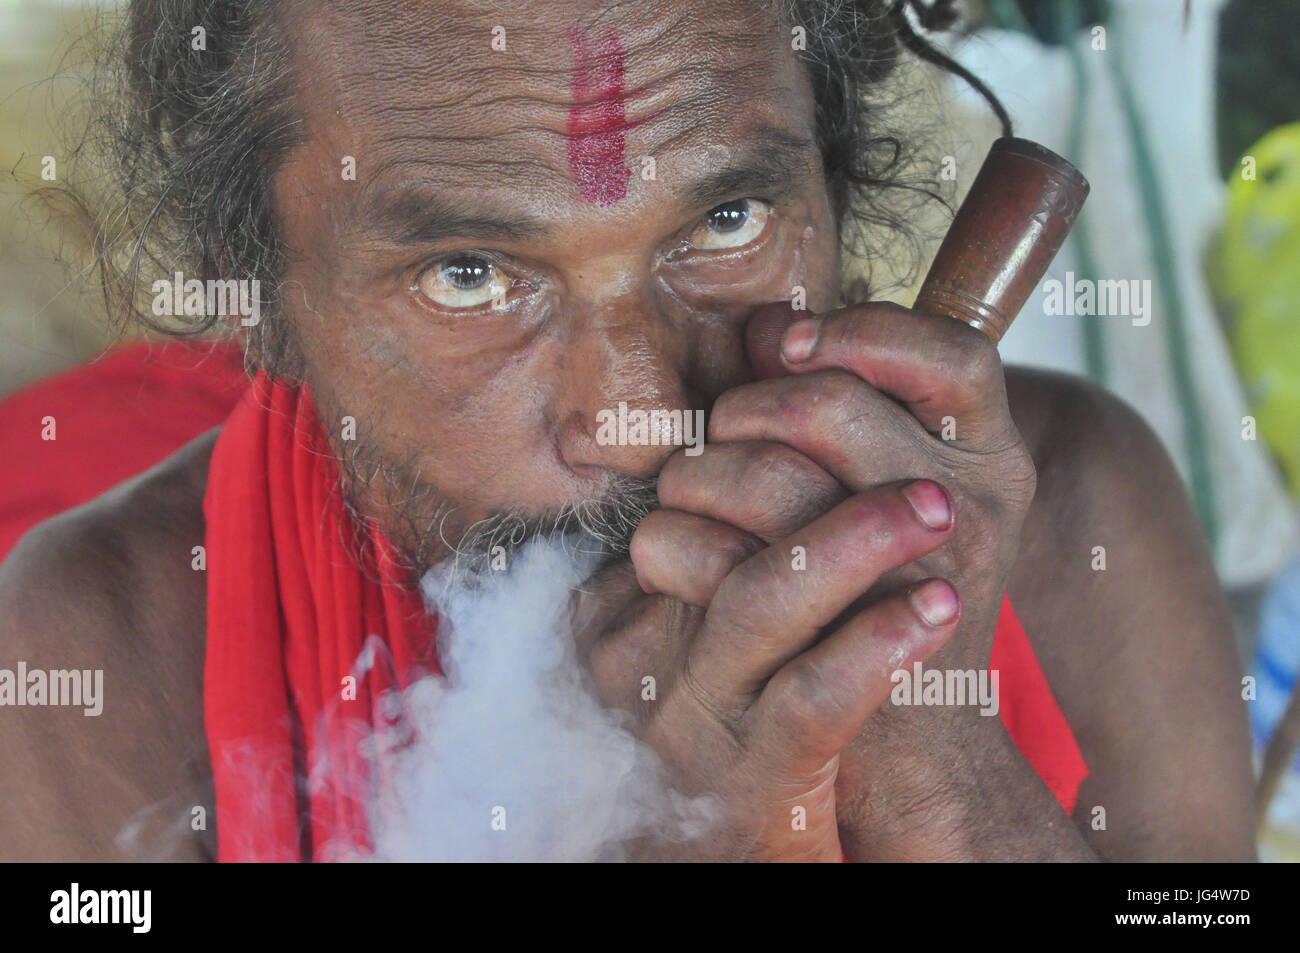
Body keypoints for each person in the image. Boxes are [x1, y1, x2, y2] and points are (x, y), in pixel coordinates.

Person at [0, 0, 1255, 861]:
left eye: (725, 225)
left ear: (834, 179)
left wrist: (938, 774)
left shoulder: (1074, 496)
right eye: (470, 275)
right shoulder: (90, 649)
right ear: (262, 295)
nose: (634, 417)